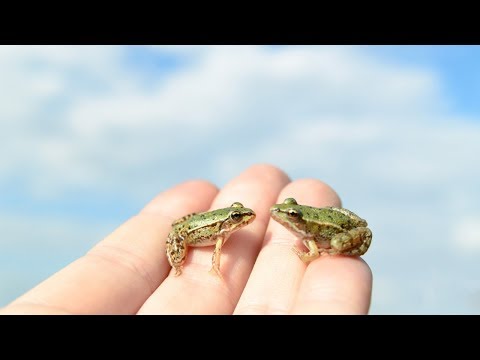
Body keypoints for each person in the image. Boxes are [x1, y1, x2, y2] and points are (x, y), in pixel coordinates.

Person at [0, 164, 372, 314]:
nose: (255, 218)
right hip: (188, 233)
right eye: (238, 216)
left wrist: (314, 250)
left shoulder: (240, 230)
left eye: (288, 214)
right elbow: (210, 250)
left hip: (336, 230)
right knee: (177, 249)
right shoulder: (220, 234)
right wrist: (181, 265)